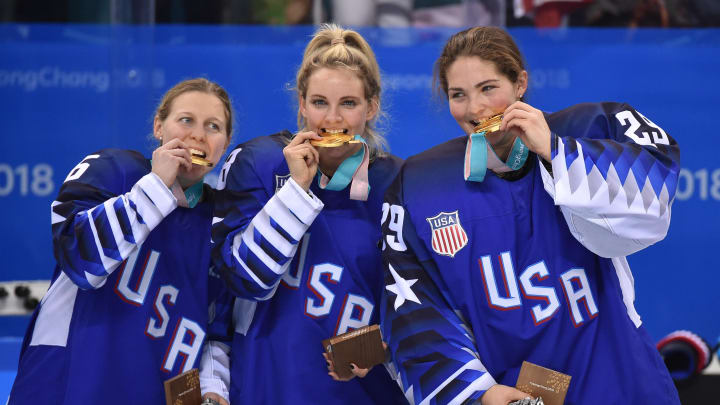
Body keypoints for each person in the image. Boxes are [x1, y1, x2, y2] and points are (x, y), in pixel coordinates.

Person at [379, 26, 681, 405]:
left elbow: (653, 202)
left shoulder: (586, 131)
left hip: (617, 381)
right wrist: (478, 394)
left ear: (520, 83)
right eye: (459, 95)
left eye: (489, 88)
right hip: (508, 393)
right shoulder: (421, 185)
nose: (475, 110)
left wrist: (556, 152)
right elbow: (416, 311)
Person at [200, 24, 406, 405]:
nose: (332, 119)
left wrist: (385, 342)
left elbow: (425, 306)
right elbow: (244, 280)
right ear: (301, 103)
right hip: (267, 387)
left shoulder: (399, 182)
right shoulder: (258, 163)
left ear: (371, 107)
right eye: (319, 103)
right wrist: (296, 190)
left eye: (348, 103)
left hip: (360, 393)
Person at [8, 78, 234, 404]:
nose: (198, 134)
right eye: (186, 120)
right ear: (159, 126)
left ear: (224, 145)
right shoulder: (114, 170)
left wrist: (214, 389)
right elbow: (80, 258)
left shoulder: (219, 222)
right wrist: (157, 186)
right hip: (64, 386)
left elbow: (216, 327)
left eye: (213, 126)